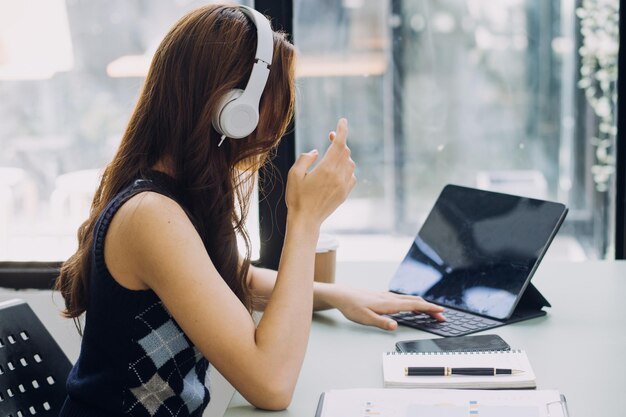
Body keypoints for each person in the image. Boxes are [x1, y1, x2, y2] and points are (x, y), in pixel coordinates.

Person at [54, 4, 445, 417]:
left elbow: (231, 277)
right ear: (232, 110)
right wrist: (306, 219)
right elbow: (271, 384)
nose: (276, 122)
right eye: (271, 102)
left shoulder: (174, 193)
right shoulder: (150, 215)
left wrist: (338, 296)